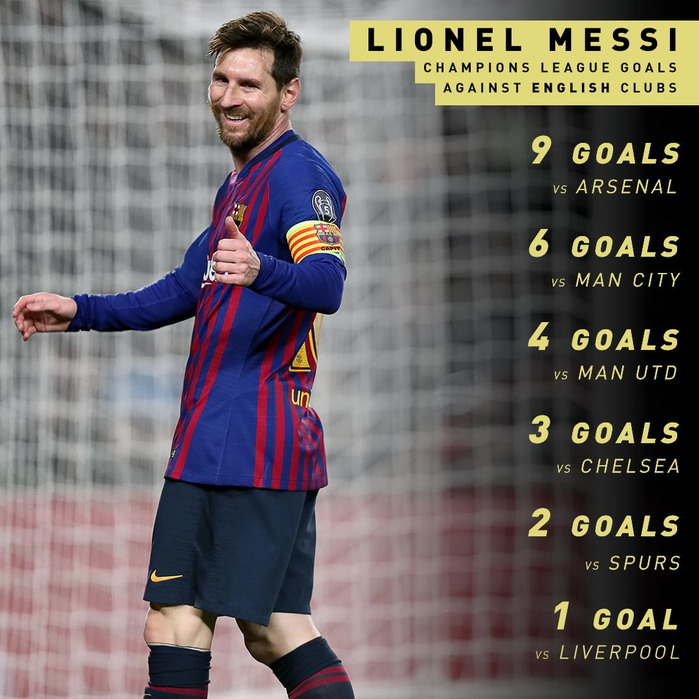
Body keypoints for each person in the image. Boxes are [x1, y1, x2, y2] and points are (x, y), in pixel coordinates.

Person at [12, 12, 354, 699]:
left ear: (288, 93)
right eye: (221, 79)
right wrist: (80, 310)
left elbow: (327, 283)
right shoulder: (241, 185)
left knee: (177, 621)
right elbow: (180, 288)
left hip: (241, 439)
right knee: (275, 629)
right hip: (247, 439)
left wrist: (260, 268)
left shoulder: (296, 174)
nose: (229, 96)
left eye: (249, 84)